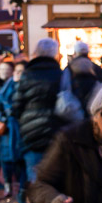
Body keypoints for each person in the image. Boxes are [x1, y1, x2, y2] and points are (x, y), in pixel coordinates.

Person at [15, 39, 64, 184]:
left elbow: (17, 104)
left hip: (31, 131)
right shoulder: (62, 75)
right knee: (57, 173)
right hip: (57, 127)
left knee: (35, 173)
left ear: (36, 53)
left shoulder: (27, 75)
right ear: (55, 54)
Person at [0, 60, 26, 203]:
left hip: (22, 129)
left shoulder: (26, 88)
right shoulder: (5, 89)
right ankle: (7, 184)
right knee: (5, 159)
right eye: (16, 71)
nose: (18, 74)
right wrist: (2, 117)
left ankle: (21, 190)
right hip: (7, 130)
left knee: (21, 161)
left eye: (21, 71)